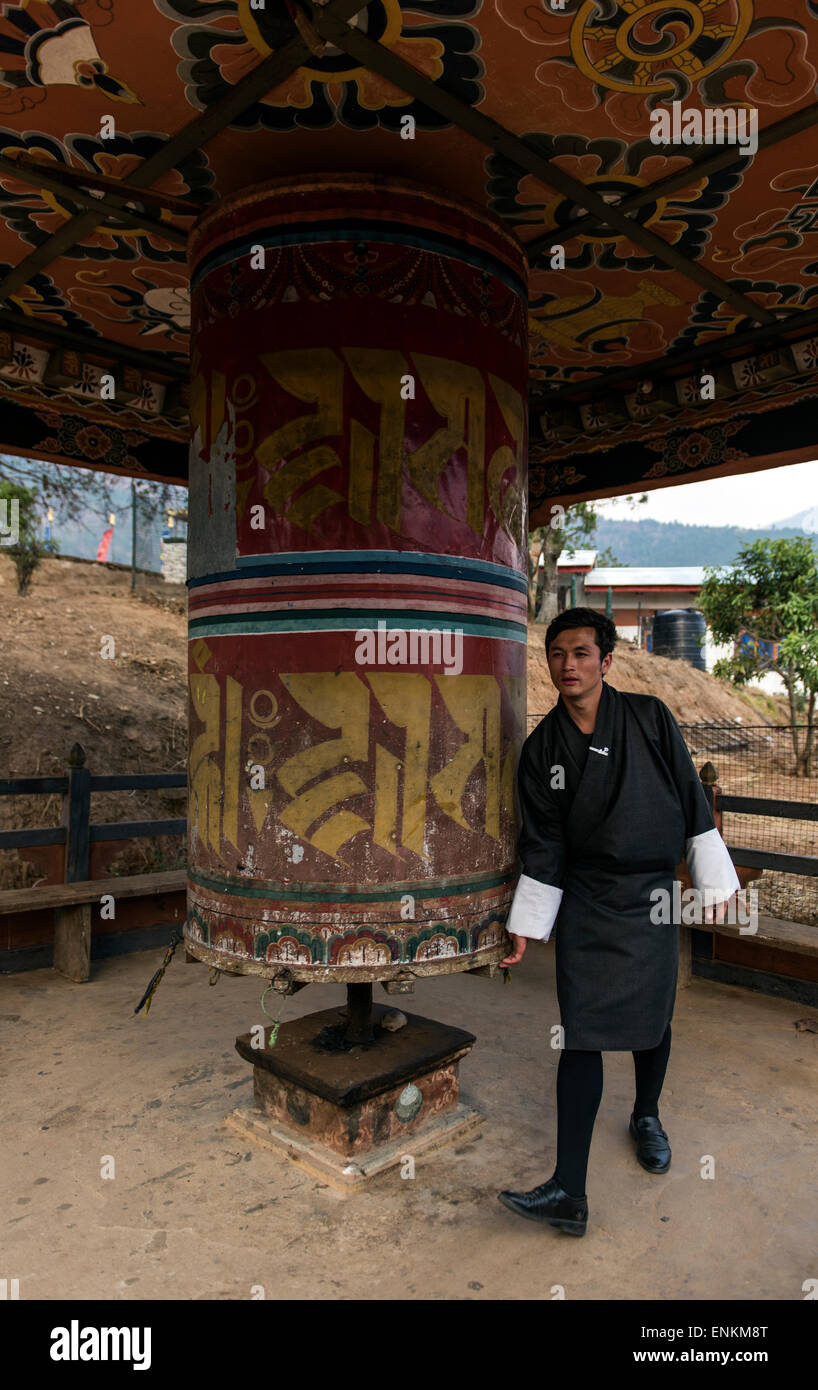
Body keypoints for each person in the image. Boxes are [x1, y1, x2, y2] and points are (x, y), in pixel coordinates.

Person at [497, 607, 739, 1237]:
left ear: (606, 662)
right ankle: (568, 1193)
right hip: (589, 900)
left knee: (653, 1016)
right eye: (557, 654)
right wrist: (527, 924)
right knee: (580, 1033)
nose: (568, 665)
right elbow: (543, 844)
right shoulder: (542, 750)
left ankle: (648, 1114)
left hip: (652, 895)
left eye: (581, 653)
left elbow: (690, 795)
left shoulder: (650, 717)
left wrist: (711, 881)